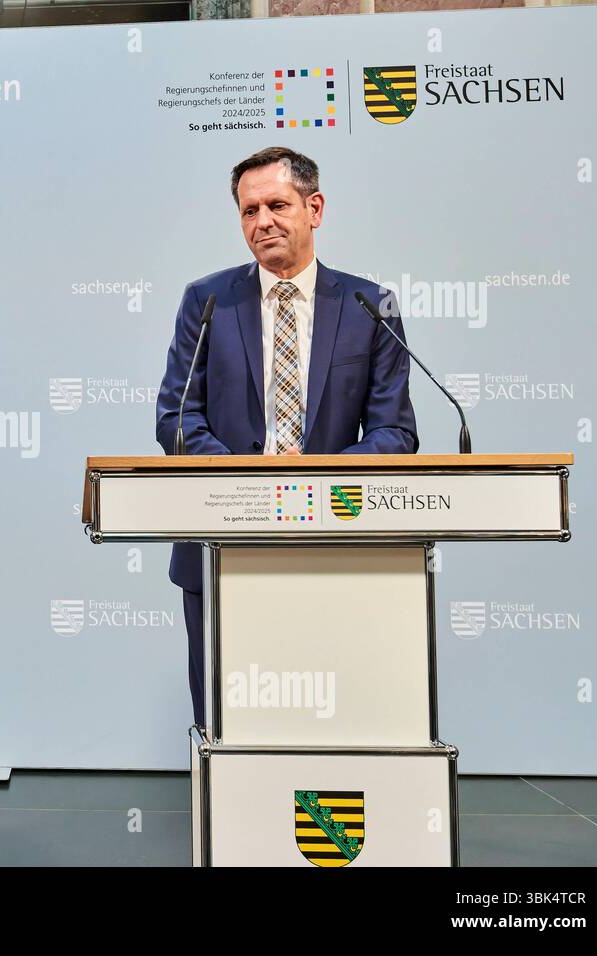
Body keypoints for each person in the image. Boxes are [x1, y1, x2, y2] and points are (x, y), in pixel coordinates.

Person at [154, 146, 418, 728]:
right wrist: (236, 477)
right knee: (226, 714)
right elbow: (175, 417)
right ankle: (227, 815)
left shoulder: (368, 305)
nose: (262, 222)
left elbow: (396, 432)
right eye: (249, 211)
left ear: (314, 207)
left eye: (277, 205)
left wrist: (320, 474)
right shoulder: (208, 301)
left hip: (330, 542)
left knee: (324, 708)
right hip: (221, 540)